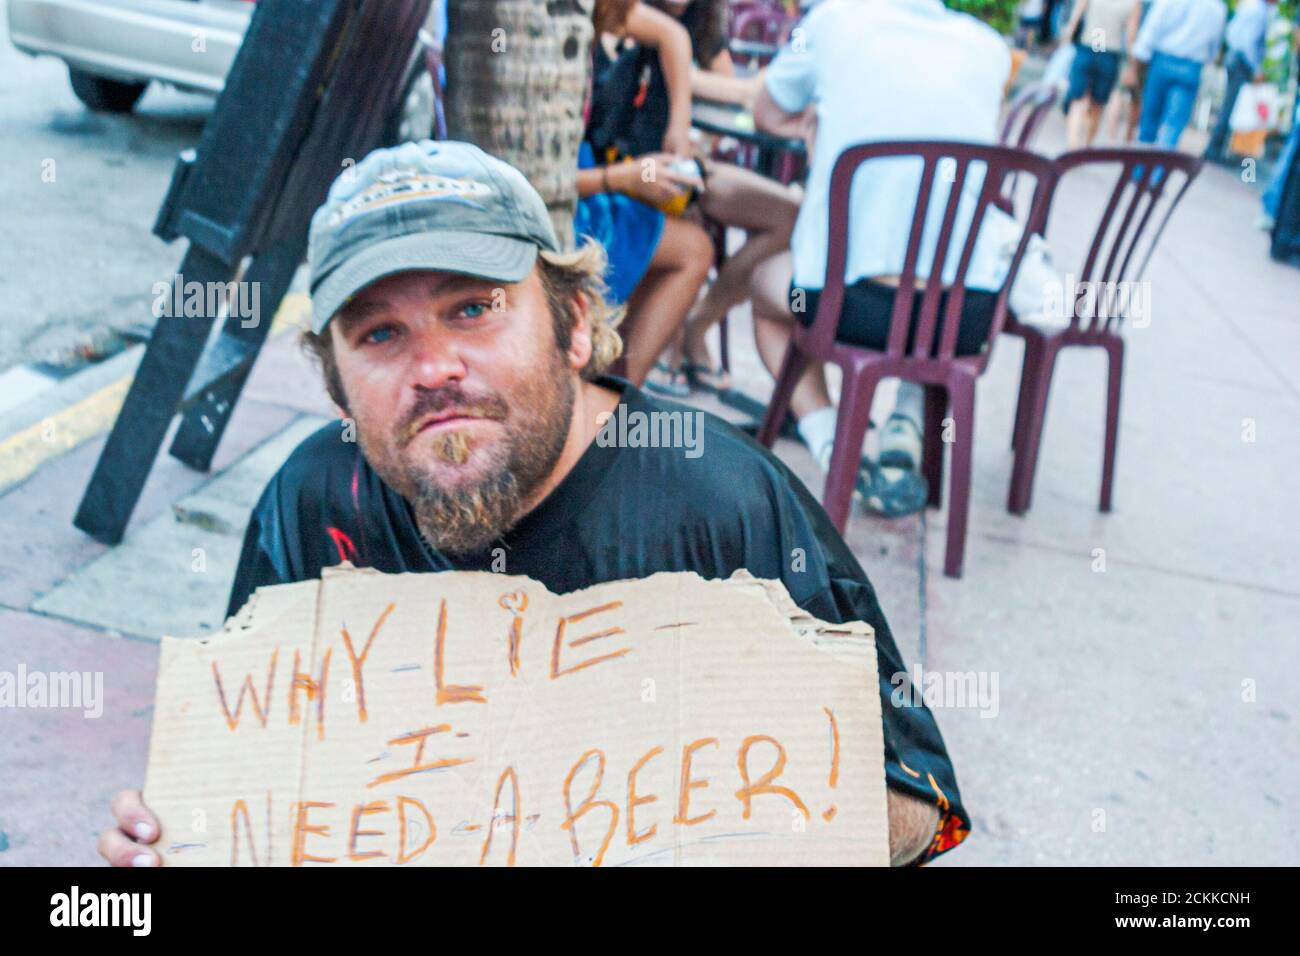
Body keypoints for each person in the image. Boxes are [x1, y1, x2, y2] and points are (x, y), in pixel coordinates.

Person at [95, 140, 970, 867]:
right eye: (380, 334)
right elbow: (250, 771)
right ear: (336, 384)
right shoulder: (316, 499)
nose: (434, 366)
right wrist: (175, 835)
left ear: (576, 324)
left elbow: (919, 803)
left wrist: (709, 819)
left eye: (473, 308)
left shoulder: (720, 502)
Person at [746, 0, 1020, 518]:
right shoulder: (990, 49)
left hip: (849, 304)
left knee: (765, 288)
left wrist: (813, 131)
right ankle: (907, 423)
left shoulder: (833, 20)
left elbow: (765, 111)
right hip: (966, 314)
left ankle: (831, 446)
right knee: (929, 259)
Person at [576, 0, 715, 388]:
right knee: (693, 247)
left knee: (688, 226)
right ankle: (617, 389)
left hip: (599, 182)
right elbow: (537, 182)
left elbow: (673, 35)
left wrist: (679, 128)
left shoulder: (597, 12)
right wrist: (624, 178)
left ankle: (615, 383)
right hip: (574, 201)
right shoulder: (528, 30)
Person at [1130, 0, 1227, 149]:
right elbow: (1214, 47)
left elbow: (1152, 28)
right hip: (1191, 67)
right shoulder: (1218, 8)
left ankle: (1140, 168)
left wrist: (1136, 64)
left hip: (1162, 61)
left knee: (1149, 118)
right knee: (1173, 125)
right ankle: (1161, 170)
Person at [1205, 0, 1276, 163]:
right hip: (1241, 62)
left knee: (1228, 106)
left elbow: (1231, 31)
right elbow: (1249, 44)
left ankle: (1216, 147)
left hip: (1234, 57)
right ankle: (1215, 150)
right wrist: (1256, 69)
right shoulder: (1260, 11)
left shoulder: (1249, 5)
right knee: (1230, 108)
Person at [1060, 0, 1136, 148]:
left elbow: (1076, 16)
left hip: (1089, 46)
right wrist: (1132, 65)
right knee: (1097, 105)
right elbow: (1130, 35)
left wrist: (1068, 38)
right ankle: (1086, 145)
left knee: (1078, 101)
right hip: (1109, 53)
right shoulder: (1133, 3)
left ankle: (1073, 147)